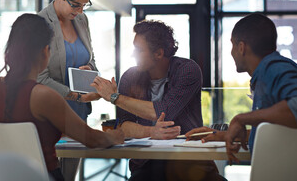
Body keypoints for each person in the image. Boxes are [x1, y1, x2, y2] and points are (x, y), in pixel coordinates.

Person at [0, 14, 124, 181]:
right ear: (45, 51)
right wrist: (116, 136)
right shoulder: (43, 96)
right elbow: (92, 139)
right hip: (46, 176)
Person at [91, 20, 225, 180]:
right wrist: (150, 132)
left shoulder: (187, 70)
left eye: (139, 50)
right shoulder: (129, 77)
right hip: (146, 163)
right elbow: (122, 126)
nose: (133, 54)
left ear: (159, 53)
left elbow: (162, 111)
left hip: (189, 160)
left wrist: (114, 97)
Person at [186, 13, 297, 164]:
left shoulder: (276, 68)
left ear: (241, 47)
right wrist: (223, 135)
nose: (231, 52)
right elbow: (276, 131)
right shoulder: (266, 73)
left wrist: (241, 119)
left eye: (232, 45)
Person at [37, 0, 99, 179]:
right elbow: (40, 78)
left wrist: (90, 69)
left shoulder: (82, 21)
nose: (80, 11)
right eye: (75, 5)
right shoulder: (40, 24)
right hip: (50, 115)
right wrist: (76, 95)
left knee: (70, 176)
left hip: (79, 114)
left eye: (84, 5)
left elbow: (91, 60)